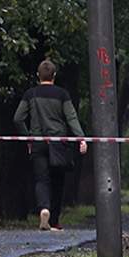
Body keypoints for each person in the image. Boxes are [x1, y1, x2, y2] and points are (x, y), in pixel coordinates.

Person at [14, 61, 88, 231]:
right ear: (54, 76)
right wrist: (81, 139)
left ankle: (44, 208)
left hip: (38, 142)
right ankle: (54, 221)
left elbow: (18, 118)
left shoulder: (30, 94)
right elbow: (71, 118)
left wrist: (28, 138)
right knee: (58, 181)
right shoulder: (62, 94)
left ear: (38, 76)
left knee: (41, 179)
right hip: (59, 143)